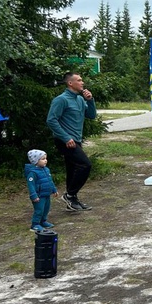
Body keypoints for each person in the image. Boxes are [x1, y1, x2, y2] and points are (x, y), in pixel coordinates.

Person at [46, 73, 97, 211]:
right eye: (79, 80)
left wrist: (90, 100)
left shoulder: (80, 100)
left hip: (76, 140)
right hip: (64, 140)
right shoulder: (61, 100)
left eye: (82, 80)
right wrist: (65, 137)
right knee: (85, 165)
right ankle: (70, 195)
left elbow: (91, 115)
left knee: (72, 169)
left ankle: (72, 201)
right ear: (70, 83)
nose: (82, 82)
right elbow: (51, 120)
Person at [25, 149, 58, 233]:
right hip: (39, 196)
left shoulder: (46, 170)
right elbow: (31, 185)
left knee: (46, 209)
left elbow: (50, 181)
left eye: (45, 158)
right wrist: (34, 195)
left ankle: (43, 221)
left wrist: (54, 190)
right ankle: (35, 224)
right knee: (39, 210)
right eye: (43, 159)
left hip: (46, 194)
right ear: (36, 161)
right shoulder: (32, 173)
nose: (45, 160)